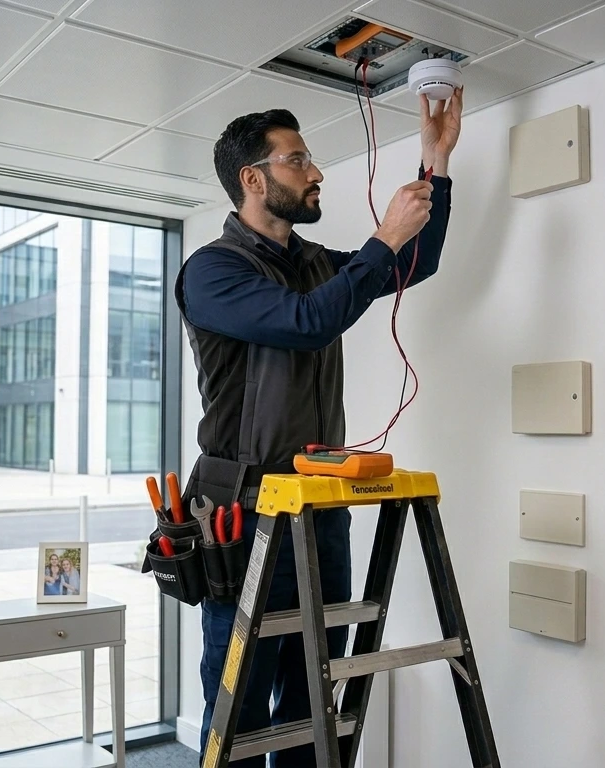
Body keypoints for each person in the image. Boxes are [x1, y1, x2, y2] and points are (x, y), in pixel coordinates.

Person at [178, 87, 463, 767]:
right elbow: (306, 324)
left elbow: (413, 264)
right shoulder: (213, 271)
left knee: (314, 693)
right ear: (254, 179)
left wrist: (435, 164)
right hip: (244, 511)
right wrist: (382, 237)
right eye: (298, 158)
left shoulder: (312, 264)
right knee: (239, 704)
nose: (316, 171)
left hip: (318, 506)